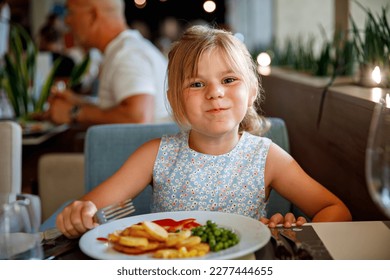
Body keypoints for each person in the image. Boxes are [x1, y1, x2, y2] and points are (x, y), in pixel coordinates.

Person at [56, 25, 351, 238]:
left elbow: (336, 209)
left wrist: (295, 234)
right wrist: (79, 214)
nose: (215, 93)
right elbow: (90, 206)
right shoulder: (154, 155)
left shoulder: (267, 157)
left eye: (229, 79)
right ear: (174, 99)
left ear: (251, 92)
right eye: (197, 84)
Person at [47, 0, 170, 125]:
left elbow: (138, 118)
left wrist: (74, 112)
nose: (67, 21)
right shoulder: (126, 49)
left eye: (71, 13)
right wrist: (78, 102)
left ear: (93, 16)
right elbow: (120, 107)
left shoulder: (127, 54)